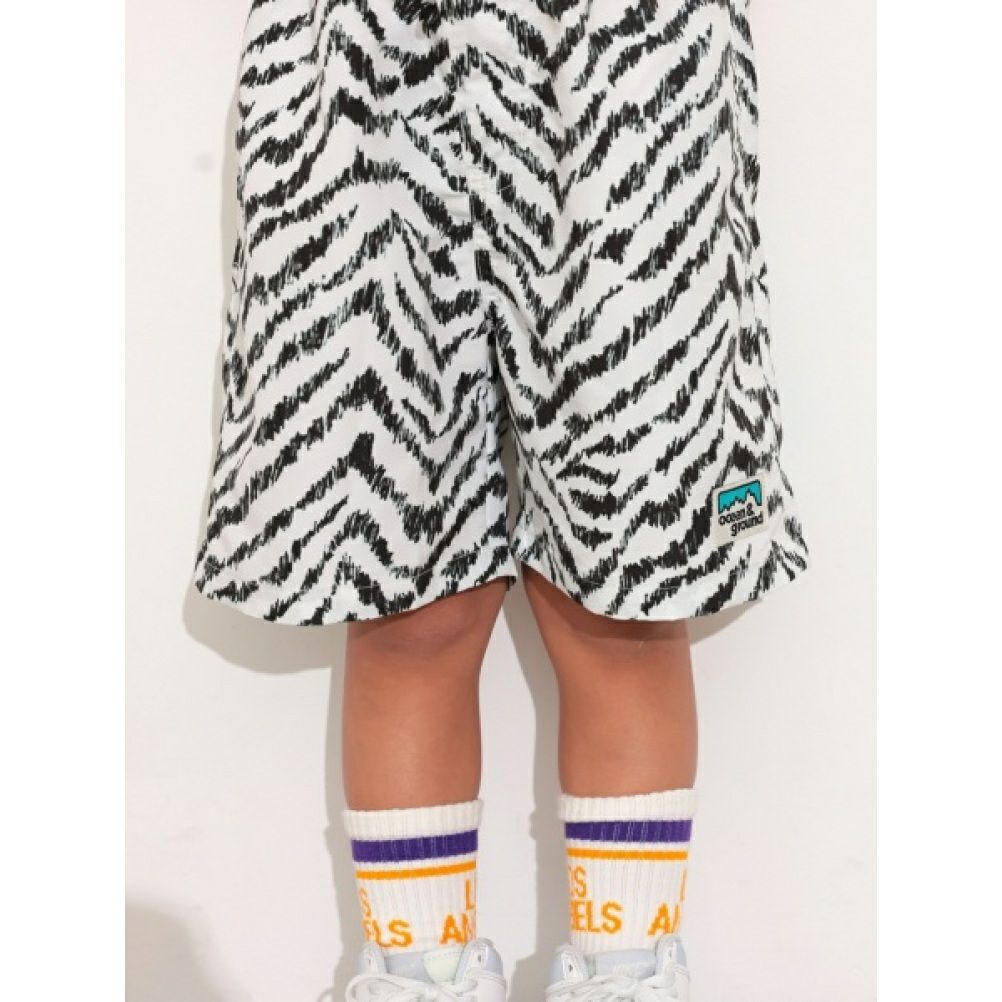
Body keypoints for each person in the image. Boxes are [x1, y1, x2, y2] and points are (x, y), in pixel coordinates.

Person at [193, 2, 808, 1000]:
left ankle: (626, 973)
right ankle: (418, 972)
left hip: (625, 44)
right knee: (400, 588)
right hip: (358, 53)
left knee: (630, 593)